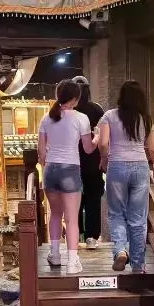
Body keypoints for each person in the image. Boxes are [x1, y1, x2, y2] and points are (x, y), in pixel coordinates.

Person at [97, 79, 154, 273]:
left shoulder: (109, 116)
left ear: (121, 97)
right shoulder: (146, 119)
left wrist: (105, 160)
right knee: (138, 217)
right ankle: (138, 265)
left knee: (117, 213)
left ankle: (120, 251)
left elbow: (102, 143)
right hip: (140, 167)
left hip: (117, 167)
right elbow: (153, 149)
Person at [38, 79, 95, 272]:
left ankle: (54, 254)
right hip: (70, 170)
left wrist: (47, 167)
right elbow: (88, 149)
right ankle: (72, 262)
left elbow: (41, 153)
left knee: (55, 214)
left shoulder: (46, 118)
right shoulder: (81, 118)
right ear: (76, 98)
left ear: (58, 95)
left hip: (50, 170)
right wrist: (96, 138)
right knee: (71, 219)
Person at [73, 74, 105, 248]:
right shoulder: (97, 110)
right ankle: (92, 237)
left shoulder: (67, 111)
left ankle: (76, 234)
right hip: (93, 161)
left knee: (74, 198)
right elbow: (103, 137)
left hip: (72, 162)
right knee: (93, 198)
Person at [22, 146, 47, 245]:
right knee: (37, 221)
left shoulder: (29, 171)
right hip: (33, 201)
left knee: (35, 221)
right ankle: (38, 240)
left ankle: (37, 240)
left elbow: (30, 189)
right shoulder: (33, 171)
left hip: (31, 201)